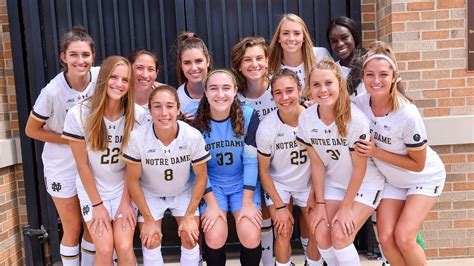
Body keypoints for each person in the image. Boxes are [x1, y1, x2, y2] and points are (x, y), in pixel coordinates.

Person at [354, 41, 446, 266]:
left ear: (394, 77)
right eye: (370, 75)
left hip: (423, 178)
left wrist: (376, 151)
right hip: (394, 179)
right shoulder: (360, 103)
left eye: (383, 75)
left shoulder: (407, 114)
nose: (376, 81)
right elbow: (336, 108)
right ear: (363, 77)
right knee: (385, 238)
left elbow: (418, 164)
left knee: (404, 237)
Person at [296, 59, 385, 266]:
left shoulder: (355, 119)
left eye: (328, 83)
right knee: (320, 233)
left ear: (339, 84)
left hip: (364, 183)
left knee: (340, 235)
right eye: (316, 84)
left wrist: (346, 207)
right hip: (334, 182)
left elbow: (359, 167)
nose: (323, 90)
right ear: (309, 88)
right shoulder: (307, 119)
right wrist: (319, 203)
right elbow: (317, 164)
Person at [62, 56, 146, 265]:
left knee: (125, 246)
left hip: (123, 187)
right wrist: (97, 204)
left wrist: (126, 202)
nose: (119, 84)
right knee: (105, 248)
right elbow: (82, 165)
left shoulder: (137, 114)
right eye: (113, 77)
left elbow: (133, 165)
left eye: (125, 80)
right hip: (94, 189)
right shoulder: (78, 114)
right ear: (103, 79)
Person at [25, 26, 98, 265]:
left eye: (85, 55)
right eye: (74, 55)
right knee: (72, 228)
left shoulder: (100, 78)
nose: (80, 60)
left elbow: (138, 79)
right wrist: (70, 139)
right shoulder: (52, 92)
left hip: (90, 164)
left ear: (93, 56)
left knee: (92, 226)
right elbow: (31, 130)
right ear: (63, 57)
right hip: (62, 165)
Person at [123, 85, 210, 265]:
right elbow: (132, 180)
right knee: (151, 238)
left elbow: (201, 177)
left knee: (189, 236)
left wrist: (188, 216)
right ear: (150, 109)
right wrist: (147, 219)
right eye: (157, 106)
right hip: (150, 194)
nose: (164, 112)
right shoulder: (138, 138)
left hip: (182, 192)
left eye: (169, 106)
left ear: (178, 109)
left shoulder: (192, 136)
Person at [192, 69, 262, 266]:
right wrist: (212, 204)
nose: (220, 94)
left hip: (242, 184)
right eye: (213, 88)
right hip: (213, 186)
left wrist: (247, 202)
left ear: (235, 90)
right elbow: (199, 169)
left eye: (226, 88)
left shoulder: (248, 115)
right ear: (205, 91)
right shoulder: (197, 122)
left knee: (250, 234)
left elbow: (250, 161)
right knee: (214, 236)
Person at [257, 68, 322, 266]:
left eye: (289, 90)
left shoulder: (314, 118)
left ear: (300, 90)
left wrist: (315, 193)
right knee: (283, 230)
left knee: (317, 229)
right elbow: (263, 171)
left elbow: (323, 162)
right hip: (279, 184)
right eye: (278, 92)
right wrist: (279, 206)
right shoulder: (267, 127)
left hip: (308, 182)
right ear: (272, 95)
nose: (284, 97)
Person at [230, 36, 277, 265]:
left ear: (267, 61)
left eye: (259, 58)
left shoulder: (279, 89)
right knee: (262, 216)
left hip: (279, 162)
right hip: (249, 166)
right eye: (247, 60)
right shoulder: (234, 97)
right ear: (239, 65)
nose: (254, 64)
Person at [268, 13, 332, 97]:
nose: (291, 38)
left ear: (304, 38)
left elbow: (334, 86)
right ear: (279, 38)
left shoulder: (320, 55)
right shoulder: (270, 65)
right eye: (286, 33)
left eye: (297, 33)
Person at [174, 32, 212, 120]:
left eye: (198, 61)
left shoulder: (223, 91)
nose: (194, 68)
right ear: (181, 65)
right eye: (187, 63)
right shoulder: (177, 99)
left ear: (208, 61)